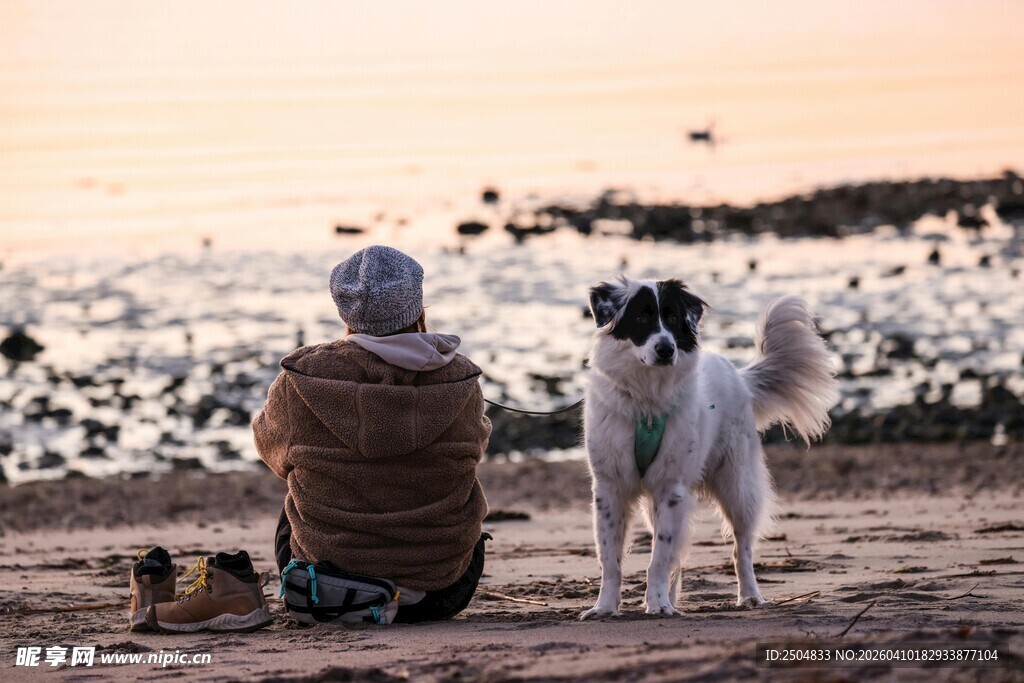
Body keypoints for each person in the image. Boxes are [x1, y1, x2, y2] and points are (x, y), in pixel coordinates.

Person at [252, 245, 491, 623]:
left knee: (295, 488)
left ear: (344, 311)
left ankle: (350, 591)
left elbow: (270, 450)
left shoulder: (299, 382)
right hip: (441, 591)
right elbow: (475, 449)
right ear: (418, 307)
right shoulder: (460, 380)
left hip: (329, 589)